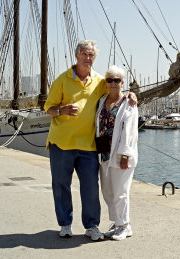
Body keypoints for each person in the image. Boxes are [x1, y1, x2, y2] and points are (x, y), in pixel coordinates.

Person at [44, 40, 136, 241]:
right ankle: (65, 224)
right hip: (62, 143)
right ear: (77, 55)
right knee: (61, 185)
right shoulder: (61, 80)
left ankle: (92, 226)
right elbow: (48, 108)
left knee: (91, 188)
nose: (88, 58)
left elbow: (115, 93)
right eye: (84, 54)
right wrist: (61, 110)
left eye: (91, 55)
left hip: (89, 146)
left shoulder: (100, 81)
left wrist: (131, 93)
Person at [95, 65, 138, 241]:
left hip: (120, 155)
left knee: (121, 192)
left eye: (117, 80)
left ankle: (125, 226)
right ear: (106, 82)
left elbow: (130, 131)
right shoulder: (102, 100)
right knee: (107, 191)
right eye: (110, 80)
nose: (113, 83)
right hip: (103, 152)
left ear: (122, 83)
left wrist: (125, 155)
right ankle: (116, 222)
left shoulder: (128, 103)